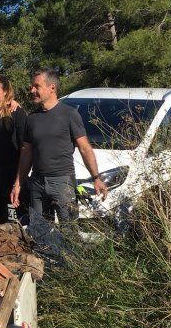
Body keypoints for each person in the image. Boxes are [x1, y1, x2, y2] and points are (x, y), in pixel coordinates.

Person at [10, 69, 108, 222]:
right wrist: (18, 183)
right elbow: (26, 152)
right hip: (37, 183)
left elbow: (84, 147)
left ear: (52, 88)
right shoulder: (32, 118)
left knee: (68, 232)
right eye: (32, 86)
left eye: (37, 86)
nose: (32, 90)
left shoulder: (69, 114)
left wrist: (96, 177)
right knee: (40, 231)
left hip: (63, 182)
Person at [0, 74, 28, 224]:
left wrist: (18, 181)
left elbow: (24, 147)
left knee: (13, 219)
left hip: (12, 176)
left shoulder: (17, 113)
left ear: (5, 92)